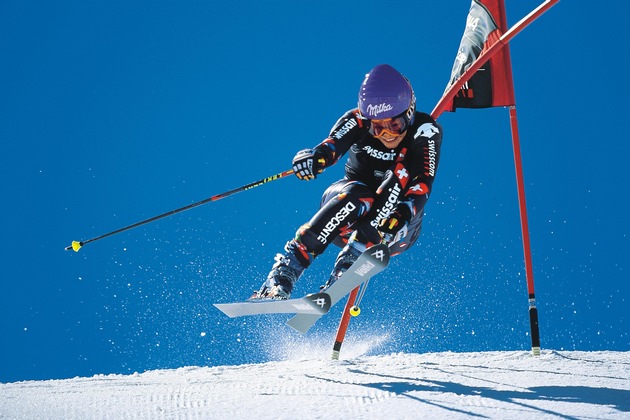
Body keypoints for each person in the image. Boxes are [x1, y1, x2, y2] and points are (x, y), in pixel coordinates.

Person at [253, 64, 443, 300]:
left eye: (395, 125)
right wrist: (313, 159)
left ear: (410, 113)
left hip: (395, 226)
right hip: (346, 214)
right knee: (357, 194)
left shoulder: (424, 130)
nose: (388, 135)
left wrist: (403, 213)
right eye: (377, 128)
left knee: (399, 174)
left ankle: (351, 260)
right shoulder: (357, 120)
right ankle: (285, 273)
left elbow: (423, 181)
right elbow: (330, 148)